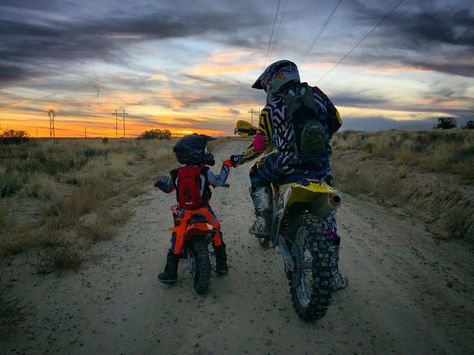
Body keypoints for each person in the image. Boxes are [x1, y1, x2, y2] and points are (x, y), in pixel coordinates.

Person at [229, 60, 348, 290]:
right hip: (320, 167)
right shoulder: (317, 95)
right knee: (329, 221)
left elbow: (260, 145)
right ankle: (332, 275)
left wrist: (239, 159)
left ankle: (263, 220)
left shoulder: (271, 107)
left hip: (287, 166)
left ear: (274, 80)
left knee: (256, 172)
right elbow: (337, 122)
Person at [154, 133, 232, 285]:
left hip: (184, 212)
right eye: (203, 149)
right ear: (197, 152)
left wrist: (158, 184)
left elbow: (169, 188)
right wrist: (226, 166)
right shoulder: (204, 171)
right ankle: (222, 265)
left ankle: (170, 274)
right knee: (216, 232)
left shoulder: (177, 173)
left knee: (177, 239)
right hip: (203, 210)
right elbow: (219, 181)